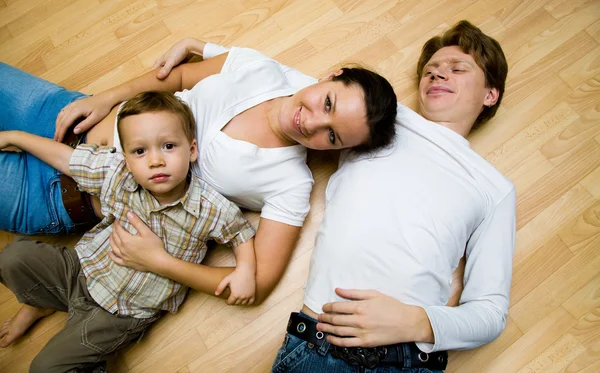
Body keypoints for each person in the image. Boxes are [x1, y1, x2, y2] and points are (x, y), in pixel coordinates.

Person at [0, 45, 397, 304]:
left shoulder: (290, 184)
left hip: (54, 197)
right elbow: (177, 78)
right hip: (67, 116)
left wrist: (160, 262)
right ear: (331, 75)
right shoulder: (260, 68)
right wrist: (102, 98)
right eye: (327, 102)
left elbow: (255, 283)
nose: (312, 123)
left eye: (332, 135)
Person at [269, 20, 515, 372]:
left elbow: (490, 313)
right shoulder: (376, 117)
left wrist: (416, 322)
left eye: (456, 68)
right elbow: (297, 94)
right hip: (320, 349)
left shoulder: (495, 188)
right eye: (431, 70)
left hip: (406, 361)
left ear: (490, 95)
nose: (438, 74)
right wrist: (204, 52)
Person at [0, 91, 256, 373]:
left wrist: (245, 270)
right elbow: (67, 160)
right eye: (140, 151)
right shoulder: (118, 173)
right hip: (82, 269)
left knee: (45, 369)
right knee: (12, 257)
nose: (155, 161)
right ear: (126, 158)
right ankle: (43, 300)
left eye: (168, 146)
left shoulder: (209, 206)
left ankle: (60, 319)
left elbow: (240, 234)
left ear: (191, 149)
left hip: (120, 313)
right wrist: (14, 137)